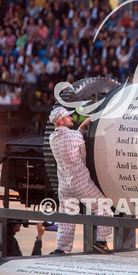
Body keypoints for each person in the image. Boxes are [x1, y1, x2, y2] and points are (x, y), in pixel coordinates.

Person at [48, 107, 112, 254]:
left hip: (64, 185)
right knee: (104, 208)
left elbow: (73, 137)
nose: (71, 118)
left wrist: (81, 127)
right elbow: (84, 157)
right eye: (68, 117)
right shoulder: (75, 136)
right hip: (81, 183)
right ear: (60, 121)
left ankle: (61, 249)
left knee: (67, 217)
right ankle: (101, 243)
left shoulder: (52, 138)